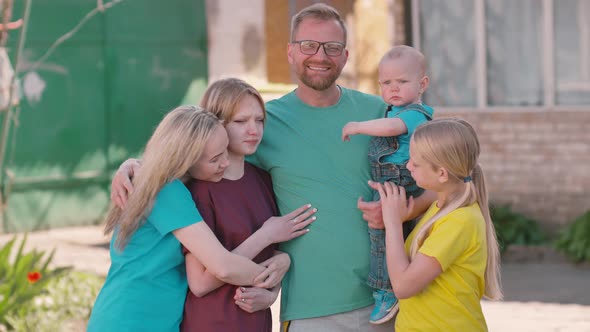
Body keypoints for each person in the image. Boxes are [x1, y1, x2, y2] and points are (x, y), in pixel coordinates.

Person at [110, 3, 436, 331]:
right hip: (310, 311)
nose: (320, 55)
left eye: (332, 47)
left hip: (383, 301)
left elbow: (442, 179)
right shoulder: (264, 125)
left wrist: (404, 211)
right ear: (290, 53)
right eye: (308, 45)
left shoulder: (382, 114)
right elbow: (195, 147)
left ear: (346, 55)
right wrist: (138, 165)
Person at [87, 107, 283, 332]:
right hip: (134, 320)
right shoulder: (169, 191)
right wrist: (274, 278)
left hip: (137, 317)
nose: (226, 163)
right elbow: (223, 266)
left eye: (226, 152)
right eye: (215, 158)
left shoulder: (153, 182)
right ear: (185, 159)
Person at [181, 78, 316, 332]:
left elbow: (266, 257)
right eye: (241, 121)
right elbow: (199, 282)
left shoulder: (263, 179)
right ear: (216, 124)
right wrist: (266, 235)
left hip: (255, 321)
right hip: (213, 322)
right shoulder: (200, 189)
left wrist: (273, 288)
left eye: (259, 120)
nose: (253, 130)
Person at [371, 118, 503, 331]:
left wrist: (393, 223)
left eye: (415, 162)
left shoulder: (460, 220)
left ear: (442, 173)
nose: (408, 166)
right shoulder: (442, 205)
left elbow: (404, 286)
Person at [341, 45, 434, 324]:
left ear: (422, 84)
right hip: (387, 181)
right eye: (386, 83)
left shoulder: (416, 113)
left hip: (400, 180)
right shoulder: (392, 110)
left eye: (402, 82)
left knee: (384, 238)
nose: (393, 89)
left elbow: (392, 130)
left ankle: (387, 290)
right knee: (380, 236)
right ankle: (390, 285)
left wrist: (358, 126)